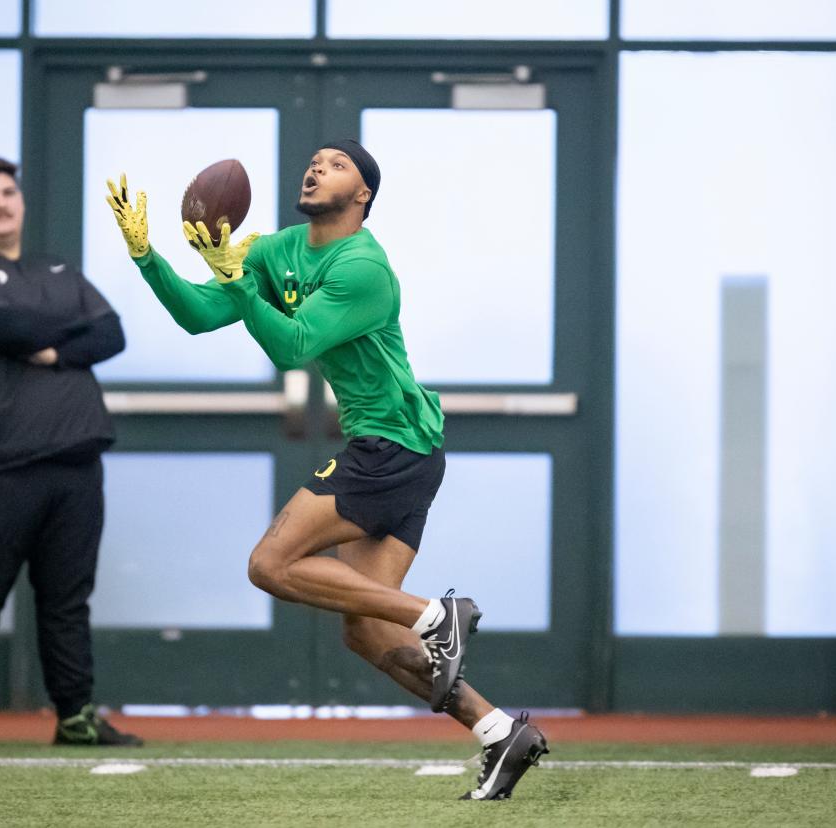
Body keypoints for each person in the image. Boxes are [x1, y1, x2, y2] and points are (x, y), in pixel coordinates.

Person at [106, 140, 549, 800]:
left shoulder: (364, 265)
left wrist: (232, 279)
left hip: (392, 446)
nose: (316, 168)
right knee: (365, 628)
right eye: (314, 161)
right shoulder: (272, 250)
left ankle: (437, 615)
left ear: (363, 194)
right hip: (401, 455)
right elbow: (199, 318)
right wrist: (148, 258)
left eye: (335, 164)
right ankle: (496, 731)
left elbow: (292, 346)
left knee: (269, 565)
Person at [0, 156, 139, 748]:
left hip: (75, 459)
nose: (2, 203)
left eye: (8, 193)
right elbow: (10, 328)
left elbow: (112, 333)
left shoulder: (55, 266)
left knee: (68, 598)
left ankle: (75, 715)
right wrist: (67, 334)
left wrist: (51, 350)